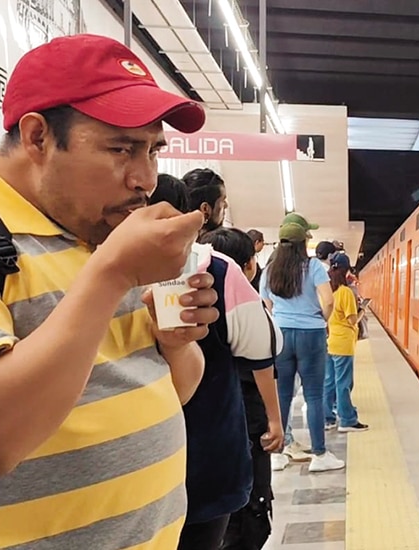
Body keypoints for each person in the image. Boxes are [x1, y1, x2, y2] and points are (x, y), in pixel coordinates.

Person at [0, 34, 217, 549]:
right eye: (120, 148)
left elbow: (172, 390)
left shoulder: (103, 228)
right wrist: (111, 275)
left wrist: (175, 343)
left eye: (153, 150)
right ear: (37, 136)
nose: (145, 179)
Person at [151, 173, 284, 550]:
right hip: (208, 459)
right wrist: (275, 419)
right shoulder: (216, 270)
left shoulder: (87, 265)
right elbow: (264, 349)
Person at [197, 227, 281, 550]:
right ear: (248, 265)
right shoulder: (247, 304)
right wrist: (275, 419)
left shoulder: (187, 302)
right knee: (248, 513)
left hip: (204, 430)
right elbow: (264, 364)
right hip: (245, 419)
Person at [261, 221, 343, 472]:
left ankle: (277, 454)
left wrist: (280, 319)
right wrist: (321, 320)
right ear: (302, 244)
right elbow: (328, 301)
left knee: (283, 394)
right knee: (314, 395)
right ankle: (319, 454)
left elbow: (266, 304)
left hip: (281, 335)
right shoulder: (314, 266)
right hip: (311, 335)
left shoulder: (270, 270)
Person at [325, 252, 368, 432]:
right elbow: (352, 320)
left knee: (329, 382)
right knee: (344, 383)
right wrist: (362, 310)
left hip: (329, 342)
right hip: (343, 344)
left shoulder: (327, 290)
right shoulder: (345, 293)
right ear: (346, 271)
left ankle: (327, 419)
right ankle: (347, 420)